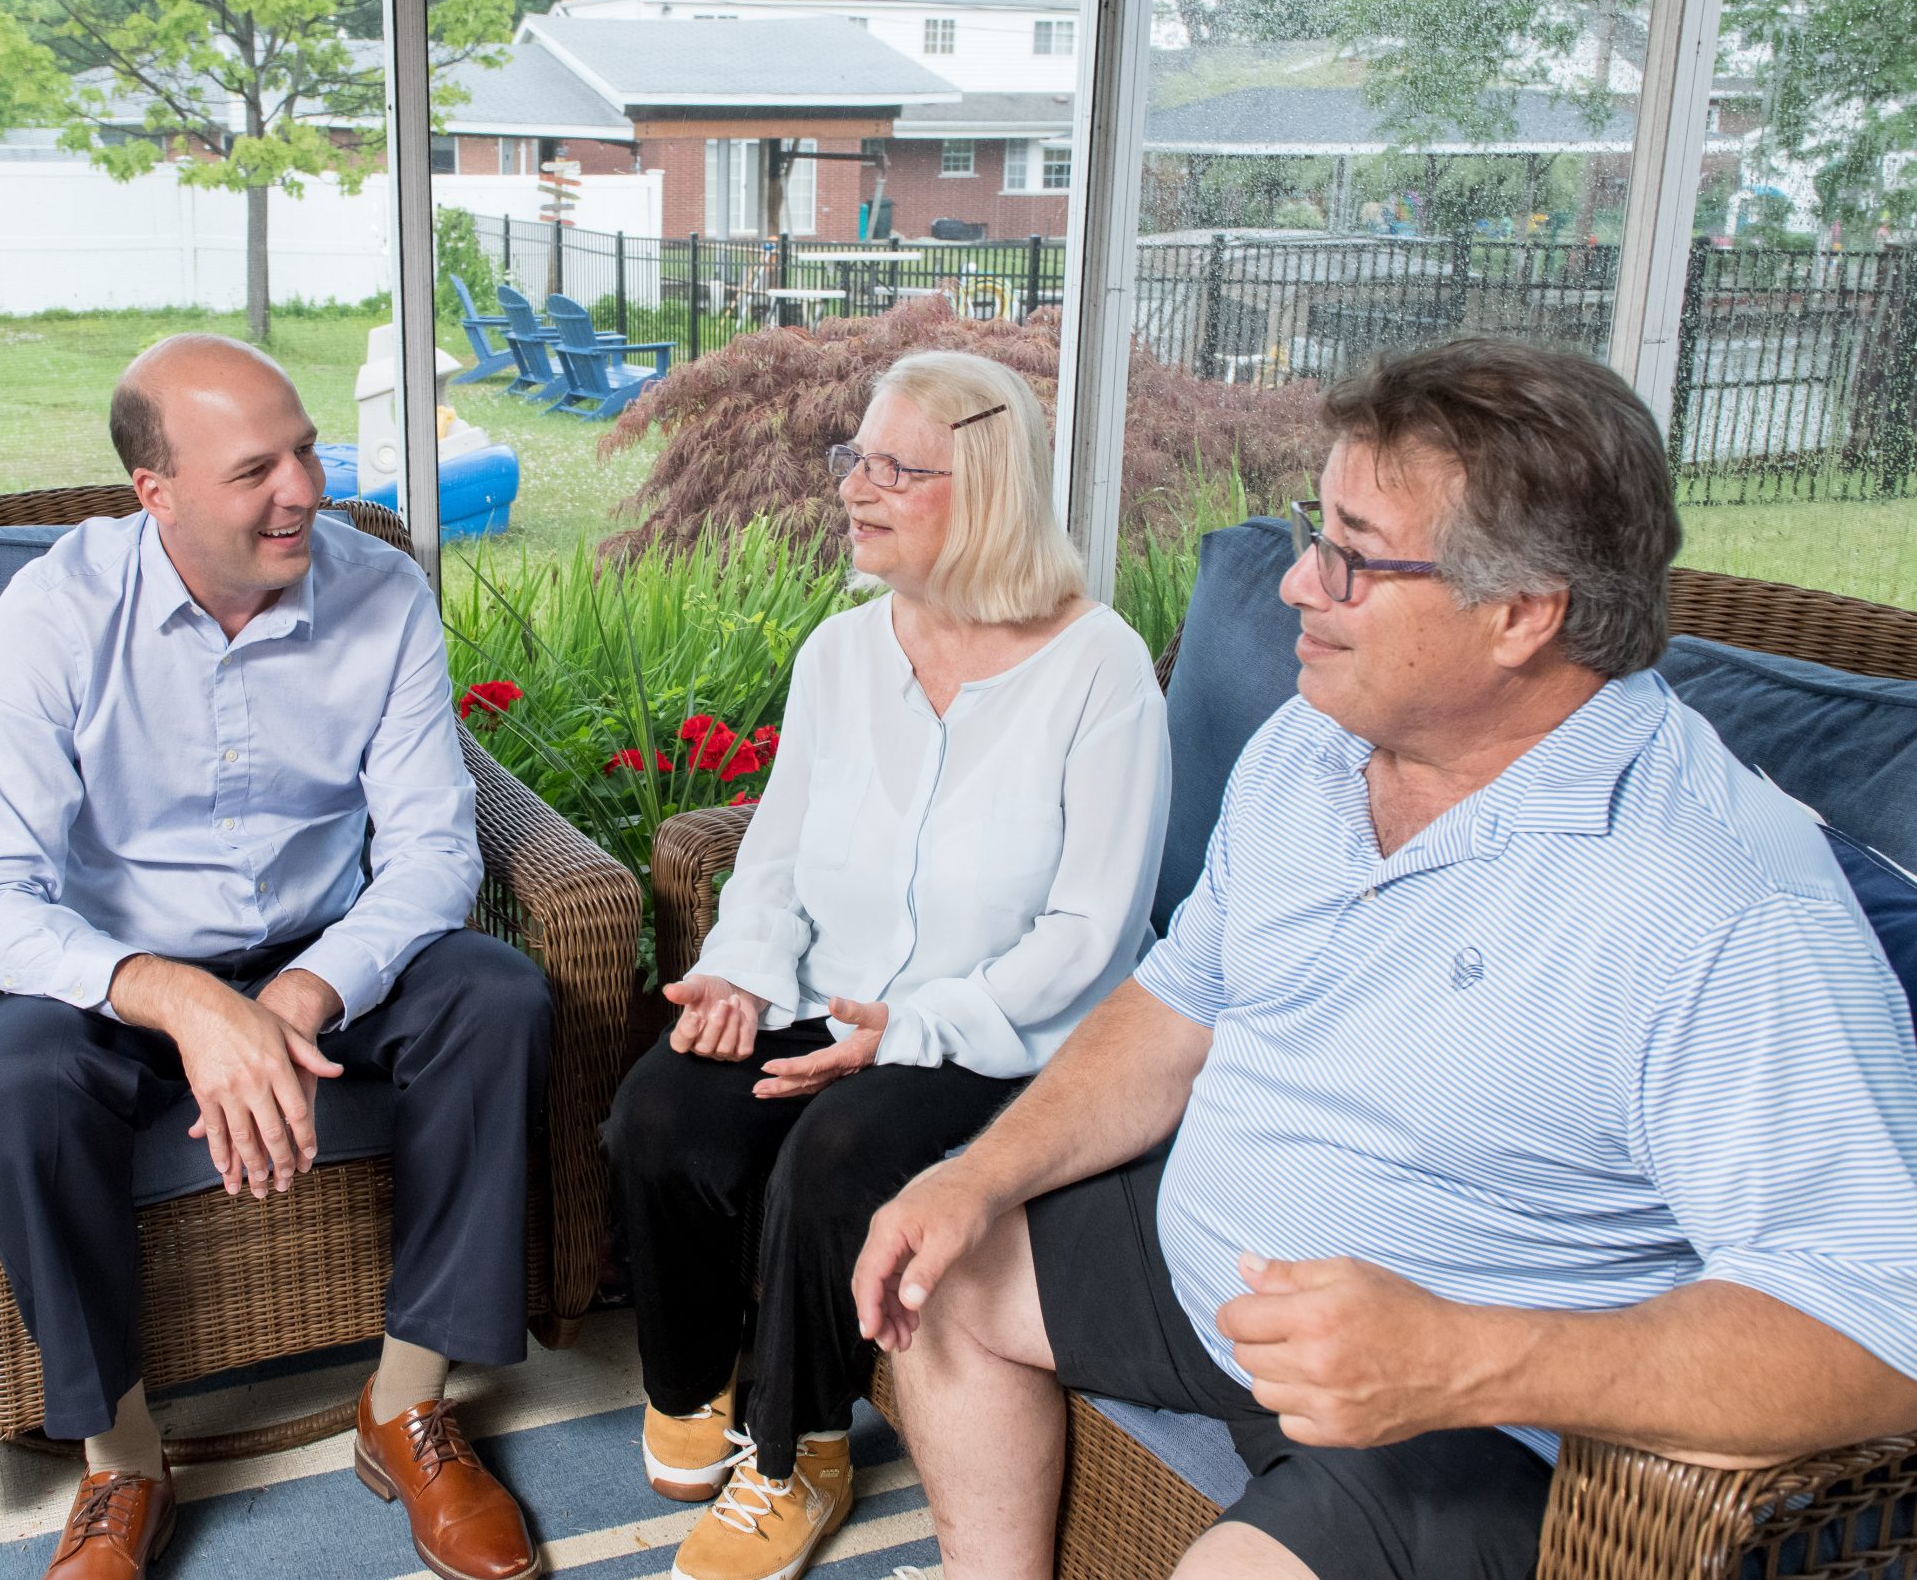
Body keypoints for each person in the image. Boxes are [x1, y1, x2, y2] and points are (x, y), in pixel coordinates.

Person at [852, 337, 1917, 1580]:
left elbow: (1880, 1322)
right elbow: (1177, 1002)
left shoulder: (1721, 903)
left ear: (1522, 613)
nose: (1300, 583)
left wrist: (1457, 1353)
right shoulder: (1313, 742)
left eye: (1353, 556)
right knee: (926, 1269)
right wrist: (977, 1176)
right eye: (1318, 529)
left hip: (1471, 1411)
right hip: (1224, 1274)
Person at [0, 335, 552, 1580]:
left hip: (323, 951)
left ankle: (408, 1401)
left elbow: (436, 849)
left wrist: (299, 992)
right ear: (152, 489)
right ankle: (122, 1461)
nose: (308, 490)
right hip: (117, 968)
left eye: (310, 449)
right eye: (256, 469)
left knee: (496, 993)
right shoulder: (52, 617)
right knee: (14, 1078)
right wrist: (181, 999)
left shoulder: (381, 594)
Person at [606, 350, 1172, 1580]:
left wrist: (911, 1027)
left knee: (845, 1147)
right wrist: (744, 972)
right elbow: (773, 851)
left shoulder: (1097, 666)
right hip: (820, 994)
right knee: (660, 1106)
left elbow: (1094, 930)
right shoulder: (841, 654)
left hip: (998, 1030)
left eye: (893, 470)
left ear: (988, 490)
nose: (853, 489)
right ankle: (694, 1381)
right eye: (850, 459)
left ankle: (799, 1445)